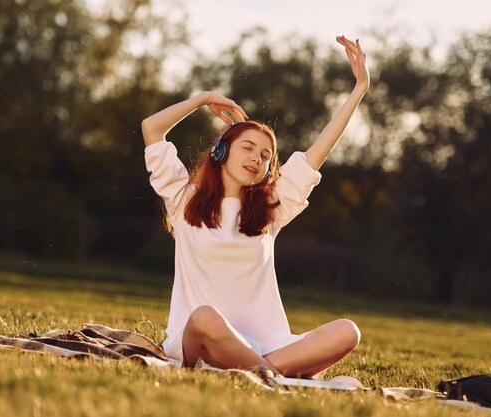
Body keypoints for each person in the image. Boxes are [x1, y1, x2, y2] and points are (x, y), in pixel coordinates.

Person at [141, 36, 370, 378]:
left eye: (265, 155)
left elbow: (318, 152)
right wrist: (203, 99)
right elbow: (151, 128)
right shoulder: (183, 198)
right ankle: (275, 374)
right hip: (203, 340)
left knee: (348, 331)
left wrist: (360, 88)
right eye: (248, 147)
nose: (256, 158)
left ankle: (259, 371)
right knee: (204, 316)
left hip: (269, 346)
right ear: (220, 152)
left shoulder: (270, 208)